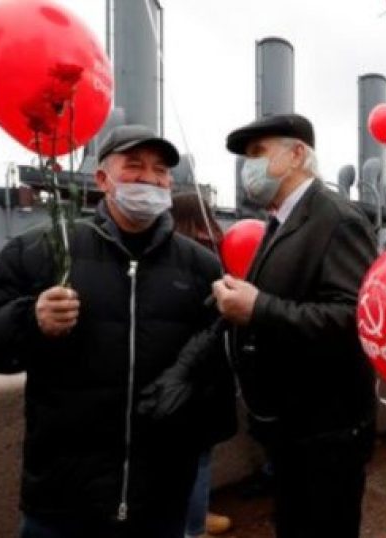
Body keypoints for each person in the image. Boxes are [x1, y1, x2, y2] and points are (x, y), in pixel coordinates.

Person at [0, 124, 236, 538]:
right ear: (103, 179)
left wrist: (189, 395)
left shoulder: (201, 266)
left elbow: (218, 358)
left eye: (161, 171)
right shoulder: (42, 249)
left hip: (161, 498)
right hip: (62, 500)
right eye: (135, 166)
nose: (150, 178)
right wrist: (29, 319)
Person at [212, 113, 378, 538]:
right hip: (292, 428)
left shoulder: (337, 219)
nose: (248, 165)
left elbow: (353, 320)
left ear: (298, 154)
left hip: (327, 434)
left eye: (257, 153)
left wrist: (259, 307)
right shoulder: (282, 219)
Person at [169, 191, 233, 538]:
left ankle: (193, 521)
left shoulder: (169, 254)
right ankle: (195, 525)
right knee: (199, 458)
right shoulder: (212, 258)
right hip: (203, 377)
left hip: (176, 377)